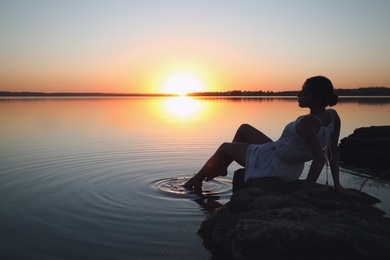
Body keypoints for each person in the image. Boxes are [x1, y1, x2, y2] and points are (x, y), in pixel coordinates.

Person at [183, 76, 345, 195]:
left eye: (304, 92)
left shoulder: (308, 122)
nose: (298, 95)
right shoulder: (333, 116)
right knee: (244, 129)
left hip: (277, 164)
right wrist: (337, 184)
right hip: (285, 158)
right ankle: (223, 167)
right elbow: (333, 152)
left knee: (225, 147)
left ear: (316, 99)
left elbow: (320, 158)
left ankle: (196, 180)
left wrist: (304, 191)